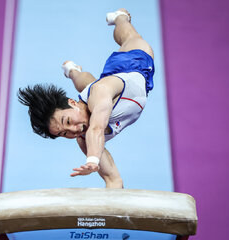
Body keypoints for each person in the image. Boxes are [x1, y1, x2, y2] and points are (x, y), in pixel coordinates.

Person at [18, 9, 155, 188]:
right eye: (63, 133)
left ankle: (120, 17)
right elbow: (113, 180)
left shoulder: (100, 94)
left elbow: (96, 128)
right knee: (88, 86)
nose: (73, 130)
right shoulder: (83, 139)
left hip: (133, 63)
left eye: (67, 121)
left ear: (72, 102)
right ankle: (74, 70)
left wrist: (93, 159)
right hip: (106, 93)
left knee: (128, 37)